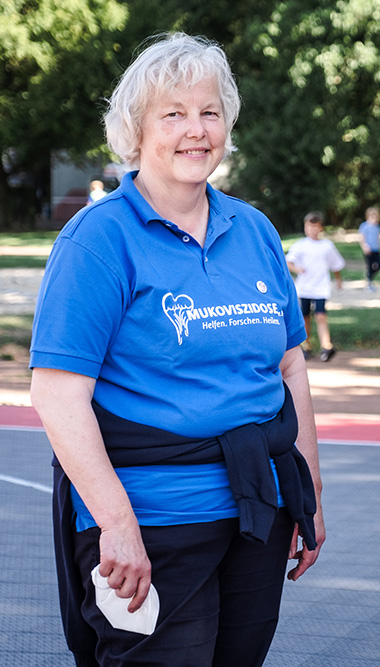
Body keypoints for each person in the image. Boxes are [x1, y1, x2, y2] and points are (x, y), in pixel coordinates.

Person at [29, 32, 325, 666]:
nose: (197, 131)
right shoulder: (98, 239)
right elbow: (58, 395)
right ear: (136, 129)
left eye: (210, 112)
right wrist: (117, 524)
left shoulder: (254, 230)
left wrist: (310, 494)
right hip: (151, 520)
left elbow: (290, 366)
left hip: (259, 509)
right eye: (174, 114)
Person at [286, 210, 345, 362]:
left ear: (320, 228)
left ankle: (327, 346)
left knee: (320, 316)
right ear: (305, 227)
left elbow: (336, 265)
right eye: (309, 227)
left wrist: (338, 280)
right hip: (304, 287)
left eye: (315, 227)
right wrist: (297, 269)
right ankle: (307, 346)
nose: (312, 230)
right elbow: (288, 262)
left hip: (320, 287)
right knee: (305, 317)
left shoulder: (327, 246)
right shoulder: (300, 245)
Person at [358, 206, 380, 291]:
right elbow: (362, 238)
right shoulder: (364, 226)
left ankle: (369, 278)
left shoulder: (377, 227)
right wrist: (365, 246)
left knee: (379, 265)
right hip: (369, 250)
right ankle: (369, 282)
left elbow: (379, 238)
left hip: (376, 249)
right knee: (370, 266)